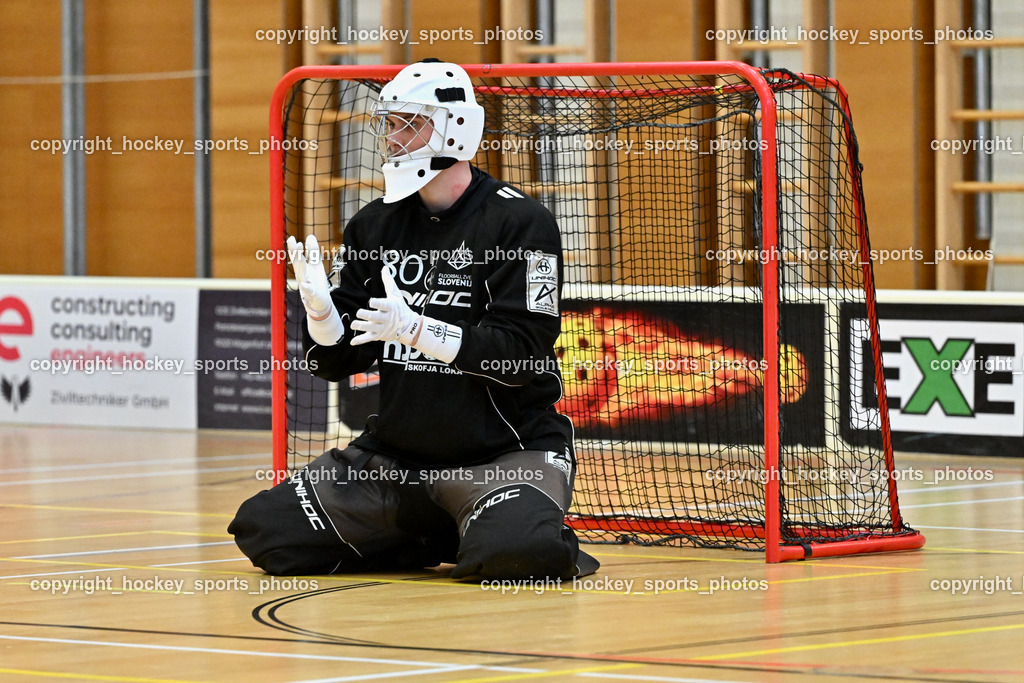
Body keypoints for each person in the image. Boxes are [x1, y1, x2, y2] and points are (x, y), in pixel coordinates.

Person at [229, 59, 599, 581]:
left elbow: (520, 355)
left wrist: (417, 330)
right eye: (390, 122)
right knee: (267, 528)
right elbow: (338, 362)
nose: (393, 137)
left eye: (410, 122)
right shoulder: (374, 225)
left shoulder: (520, 222)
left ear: (456, 127)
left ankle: (491, 525)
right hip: (397, 460)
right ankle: (433, 533)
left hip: (503, 455)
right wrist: (322, 315)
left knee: (519, 553)